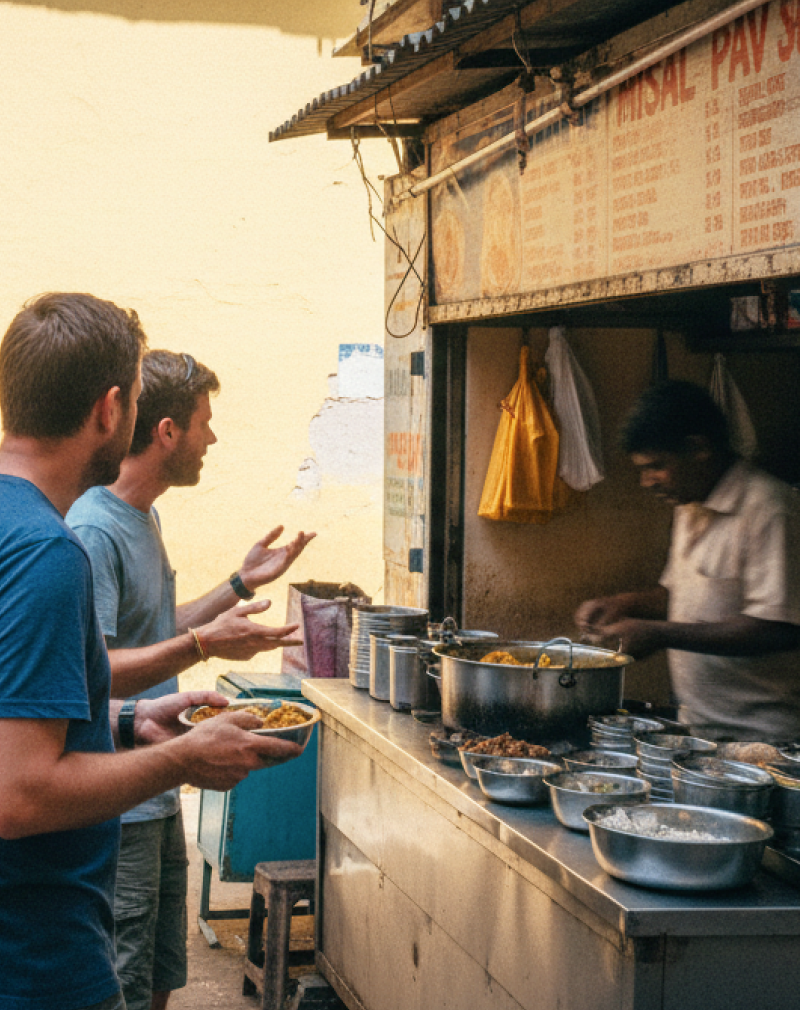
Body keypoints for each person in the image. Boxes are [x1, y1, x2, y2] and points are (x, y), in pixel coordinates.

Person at [0, 293, 304, 1010]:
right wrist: (180, 758)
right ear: (111, 410)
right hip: (38, 964)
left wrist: (130, 724)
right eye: (136, 401)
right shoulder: (51, 552)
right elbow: (17, 793)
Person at [67, 349, 314, 1010]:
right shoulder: (93, 528)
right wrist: (206, 644)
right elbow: (90, 671)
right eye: (204, 423)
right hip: (121, 794)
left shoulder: (141, 515)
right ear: (167, 432)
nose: (212, 438)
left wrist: (237, 588)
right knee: (118, 976)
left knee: (158, 973)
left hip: (160, 782)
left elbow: (149, 630)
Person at [575, 379, 800, 742]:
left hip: (766, 739)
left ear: (698, 449)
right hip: (700, 728)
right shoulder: (689, 504)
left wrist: (658, 634)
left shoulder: (770, 508)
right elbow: (681, 595)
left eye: (656, 466)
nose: (647, 482)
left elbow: (778, 627)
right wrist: (625, 604)